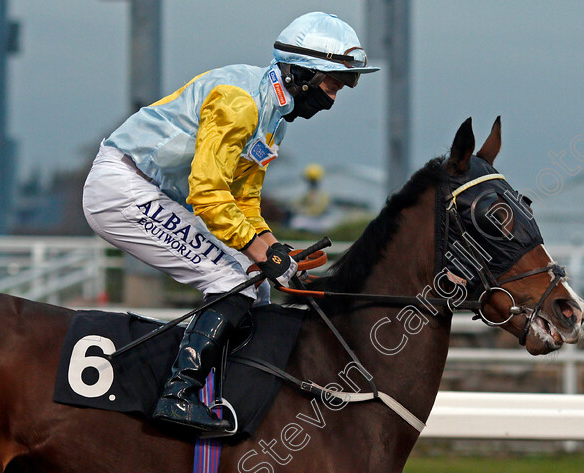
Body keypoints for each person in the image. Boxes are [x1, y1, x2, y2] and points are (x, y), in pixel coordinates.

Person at [81, 12, 378, 432]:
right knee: (229, 277)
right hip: (121, 187)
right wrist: (260, 252)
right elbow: (207, 194)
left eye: (344, 85)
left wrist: (276, 252)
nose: (334, 97)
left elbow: (244, 200)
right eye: (333, 82)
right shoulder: (241, 103)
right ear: (301, 73)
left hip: (150, 191)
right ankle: (177, 396)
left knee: (254, 281)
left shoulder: (274, 115)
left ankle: (226, 391)